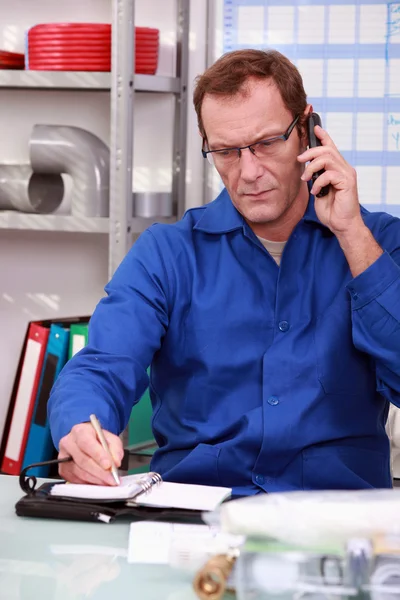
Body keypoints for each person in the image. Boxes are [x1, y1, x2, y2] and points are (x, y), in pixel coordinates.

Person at [48, 49, 400, 494]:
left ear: (309, 130)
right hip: (198, 515)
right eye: (226, 151)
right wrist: (80, 427)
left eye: (267, 143)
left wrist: (351, 234)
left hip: (337, 521)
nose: (249, 172)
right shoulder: (167, 253)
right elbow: (102, 365)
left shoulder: (380, 243)